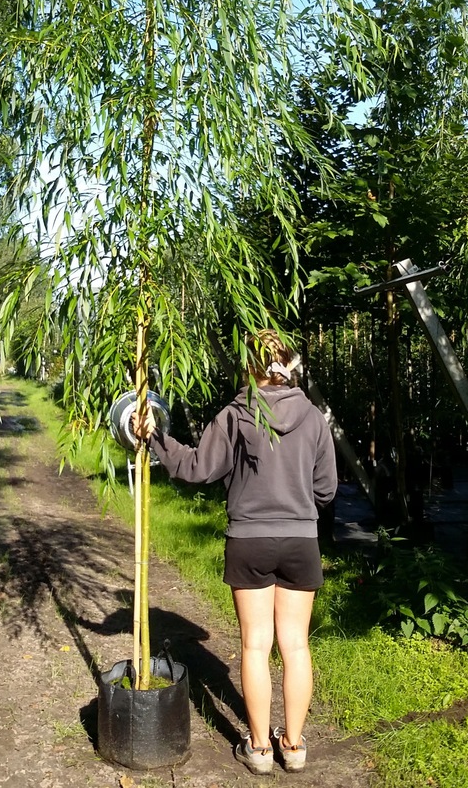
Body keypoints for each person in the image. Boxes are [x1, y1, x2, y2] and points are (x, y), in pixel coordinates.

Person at [132, 329, 337, 776]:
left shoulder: (237, 413)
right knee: (296, 645)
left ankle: (260, 748)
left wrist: (157, 438)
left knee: (256, 645)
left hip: (249, 540)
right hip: (302, 540)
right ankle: (295, 746)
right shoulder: (315, 418)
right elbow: (326, 490)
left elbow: (197, 467)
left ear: (250, 367)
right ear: (288, 365)